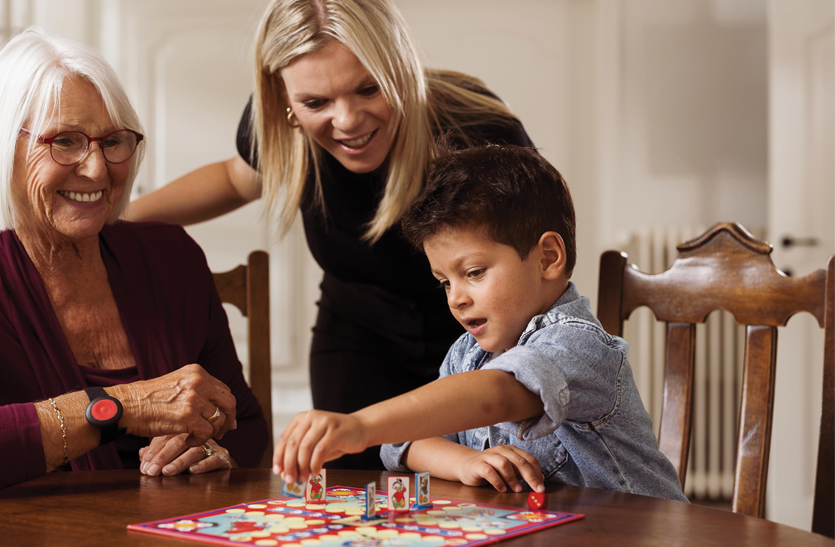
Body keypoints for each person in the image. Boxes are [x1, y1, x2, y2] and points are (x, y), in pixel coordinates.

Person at [125, 0, 533, 470]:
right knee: (351, 497)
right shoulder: (280, 127)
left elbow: (534, 264)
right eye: (316, 102)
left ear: (399, 68)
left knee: (483, 489)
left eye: (368, 88)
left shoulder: (479, 132)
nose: (347, 120)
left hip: (480, 338)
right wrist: (115, 221)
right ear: (286, 101)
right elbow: (238, 179)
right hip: (358, 336)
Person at [0, 29, 268, 503]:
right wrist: (118, 407)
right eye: (66, 141)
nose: (98, 170)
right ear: (5, 149)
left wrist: (211, 446)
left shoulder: (173, 257)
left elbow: (244, 420)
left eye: (113, 141)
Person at [271, 143, 688, 502]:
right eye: (443, 282)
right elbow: (404, 441)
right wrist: (465, 461)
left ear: (547, 258)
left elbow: (500, 394)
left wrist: (360, 425)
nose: (456, 297)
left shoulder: (579, 344)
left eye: (473, 273)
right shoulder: (467, 354)